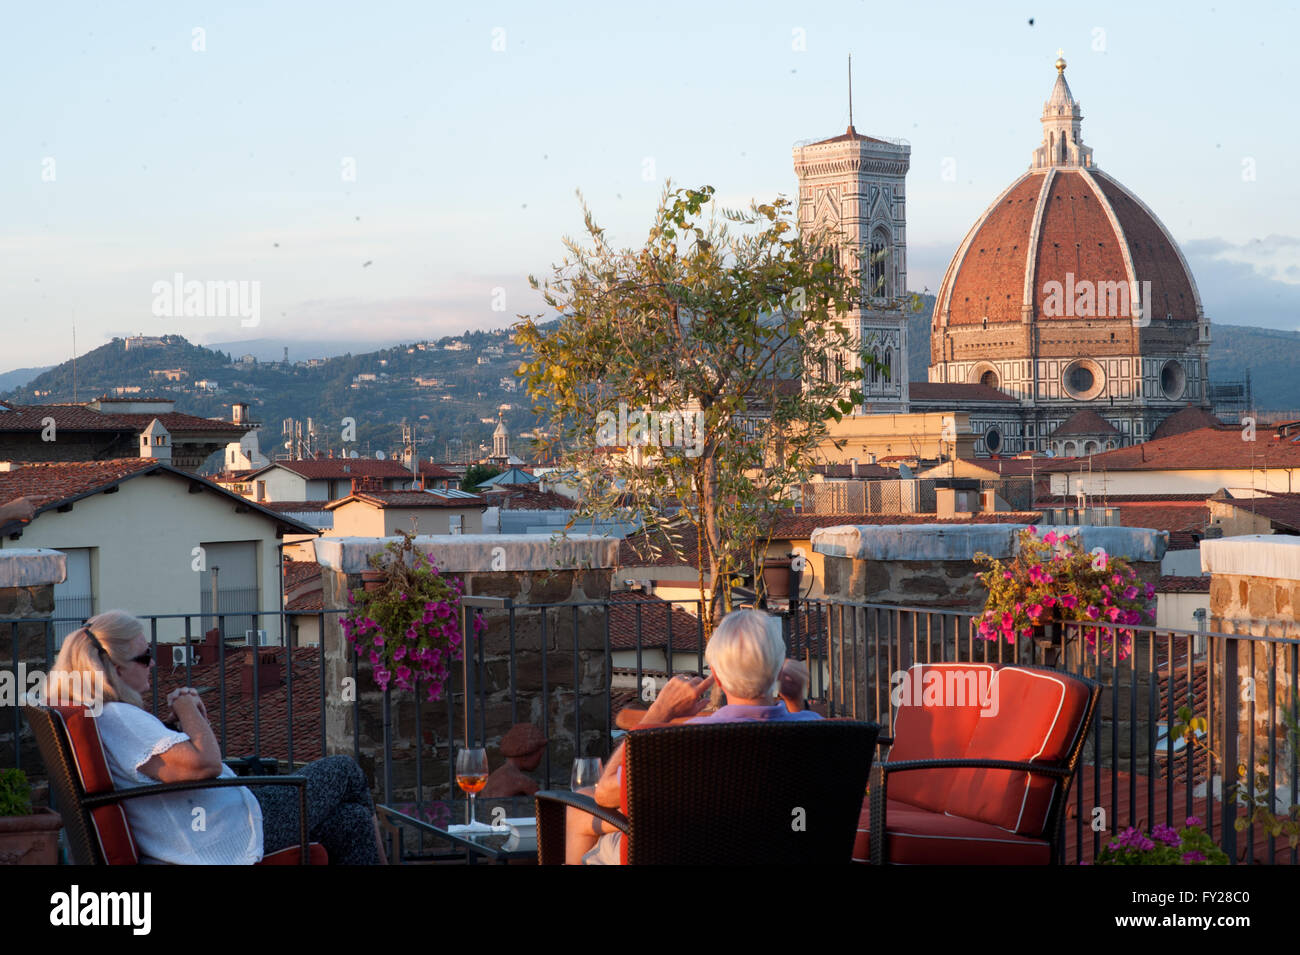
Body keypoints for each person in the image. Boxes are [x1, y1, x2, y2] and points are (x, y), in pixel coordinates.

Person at [46, 610, 385, 864]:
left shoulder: (104, 716)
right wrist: (187, 706)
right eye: (145, 657)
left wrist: (179, 726)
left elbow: (168, 769)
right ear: (114, 668)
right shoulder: (119, 718)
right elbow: (207, 764)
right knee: (345, 770)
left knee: (351, 824)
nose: (153, 665)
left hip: (220, 821)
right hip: (227, 832)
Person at [567, 608, 821, 864]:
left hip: (684, 852)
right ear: (779, 670)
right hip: (780, 851)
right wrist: (796, 702)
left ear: (717, 677)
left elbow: (605, 794)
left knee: (581, 807)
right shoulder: (820, 733)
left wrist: (658, 712)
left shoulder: (683, 743)